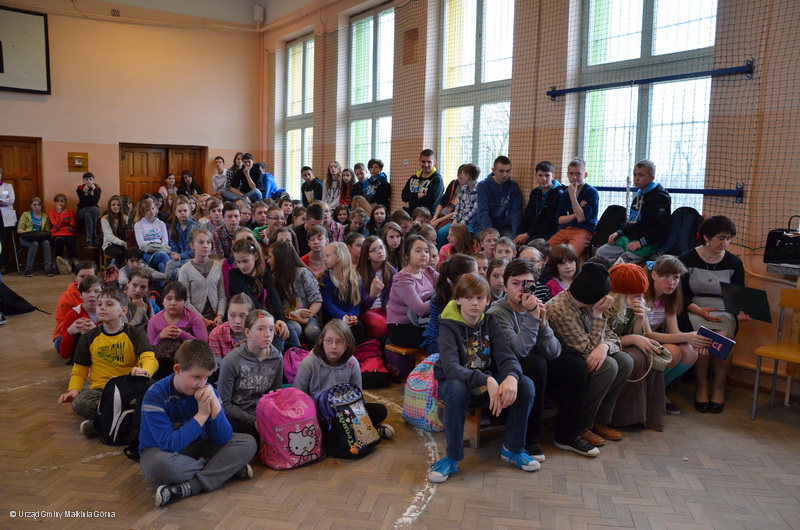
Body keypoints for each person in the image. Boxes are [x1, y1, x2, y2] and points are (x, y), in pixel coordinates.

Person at [429, 273, 538, 483]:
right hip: (456, 386)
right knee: (457, 388)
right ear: (458, 299)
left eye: (480, 298)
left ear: (488, 301)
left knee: (525, 384)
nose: (474, 303)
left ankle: (513, 449)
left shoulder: (490, 321)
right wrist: (486, 380)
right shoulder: (448, 325)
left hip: (486, 385)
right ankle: (452, 457)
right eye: (468, 298)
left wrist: (512, 377)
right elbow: (451, 369)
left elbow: (507, 357)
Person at [488, 259, 596, 458]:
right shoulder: (497, 313)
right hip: (506, 367)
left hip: (535, 364)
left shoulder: (536, 307)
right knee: (536, 364)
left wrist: (543, 324)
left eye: (528, 284)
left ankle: (567, 435)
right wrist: (532, 317)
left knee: (574, 364)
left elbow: (554, 352)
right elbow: (518, 351)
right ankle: (530, 438)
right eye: (515, 283)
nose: (522, 289)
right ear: (505, 286)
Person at [138, 340, 257, 507]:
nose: (202, 384)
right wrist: (202, 415)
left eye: (206, 377)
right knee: (158, 466)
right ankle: (225, 469)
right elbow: (169, 444)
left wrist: (216, 411)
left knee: (247, 442)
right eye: (196, 377)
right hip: (162, 451)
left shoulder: (208, 390)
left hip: (198, 446)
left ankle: (190, 487)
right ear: (178, 370)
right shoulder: (155, 395)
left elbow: (222, 439)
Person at [545, 263, 633, 448]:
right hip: (565, 360)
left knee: (625, 361)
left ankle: (600, 420)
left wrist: (604, 346)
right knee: (608, 366)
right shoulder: (559, 309)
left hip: (589, 350)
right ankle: (581, 425)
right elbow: (585, 348)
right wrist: (598, 315)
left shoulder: (589, 302)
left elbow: (612, 337)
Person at [57, 288, 157, 437]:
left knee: (156, 394)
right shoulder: (88, 337)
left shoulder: (135, 334)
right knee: (80, 402)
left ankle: (99, 425)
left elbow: (150, 358)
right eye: (99, 304)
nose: (102, 307)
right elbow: (80, 369)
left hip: (129, 390)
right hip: (101, 392)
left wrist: (145, 371)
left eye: (109, 304)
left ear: (123, 311)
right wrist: (74, 390)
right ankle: (128, 418)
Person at [679, 215, 748, 414]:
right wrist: (699, 311)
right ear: (706, 237)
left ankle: (719, 388)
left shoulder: (734, 262)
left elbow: (737, 295)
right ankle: (701, 387)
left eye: (729, 239)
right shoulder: (687, 258)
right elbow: (680, 296)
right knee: (703, 339)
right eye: (721, 238)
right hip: (694, 308)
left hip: (723, 310)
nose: (725, 243)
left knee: (722, 339)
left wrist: (740, 310)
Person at [293, 319, 394, 440]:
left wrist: (356, 414)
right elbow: (298, 396)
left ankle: (354, 432)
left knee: (380, 411)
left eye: (339, 342)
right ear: (322, 342)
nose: (333, 346)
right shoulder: (309, 362)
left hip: (345, 411)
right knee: (325, 427)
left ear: (347, 344)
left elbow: (357, 396)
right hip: (318, 414)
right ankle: (366, 431)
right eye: (329, 341)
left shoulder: (352, 363)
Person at [641, 255, 708, 414]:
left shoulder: (669, 298)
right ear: (654, 275)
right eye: (666, 276)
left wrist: (694, 341)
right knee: (673, 351)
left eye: (676, 277)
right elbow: (648, 334)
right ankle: (648, 393)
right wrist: (687, 336)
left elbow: (674, 332)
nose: (671, 282)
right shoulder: (642, 296)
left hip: (653, 341)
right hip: (640, 340)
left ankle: (658, 392)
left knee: (690, 352)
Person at [605, 263, 667, 432]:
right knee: (635, 357)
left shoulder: (634, 305)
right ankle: (623, 417)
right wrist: (633, 338)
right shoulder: (605, 306)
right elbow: (602, 339)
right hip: (608, 347)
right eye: (636, 295)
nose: (639, 299)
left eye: (641, 295)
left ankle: (648, 416)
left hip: (625, 344)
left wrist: (640, 319)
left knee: (650, 353)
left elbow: (637, 334)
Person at [218, 310, 283, 441]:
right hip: (238, 417)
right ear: (247, 333)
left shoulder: (277, 358)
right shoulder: (231, 361)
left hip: (263, 414)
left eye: (271, 329)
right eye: (261, 329)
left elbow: (275, 395)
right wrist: (253, 421)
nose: (267, 334)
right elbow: (224, 404)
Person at [596, 160, 672, 264]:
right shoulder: (638, 197)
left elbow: (662, 228)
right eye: (635, 174)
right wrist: (619, 232)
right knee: (600, 254)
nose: (636, 178)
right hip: (630, 239)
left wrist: (641, 243)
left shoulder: (659, 198)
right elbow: (632, 222)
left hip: (648, 243)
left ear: (651, 178)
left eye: (641, 175)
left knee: (621, 265)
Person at [227, 237, 296, 351]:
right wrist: (271, 321)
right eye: (238, 262)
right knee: (277, 331)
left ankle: (295, 356)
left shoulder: (264, 273)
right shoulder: (234, 274)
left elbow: (274, 297)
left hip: (260, 316)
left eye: (245, 261)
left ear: (255, 256)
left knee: (288, 329)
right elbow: (251, 301)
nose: (242, 266)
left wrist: (281, 319)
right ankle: (275, 358)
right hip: (244, 317)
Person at [319, 242, 381, 343]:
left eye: (327, 256)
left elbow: (356, 303)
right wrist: (343, 316)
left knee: (357, 327)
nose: (324, 259)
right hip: (332, 317)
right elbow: (328, 304)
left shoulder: (355, 278)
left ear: (339, 257)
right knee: (336, 329)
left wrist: (352, 316)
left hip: (348, 317)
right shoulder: (324, 278)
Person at [386, 234, 438, 348]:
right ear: (407, 255)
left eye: (426, 251)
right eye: (418, 251)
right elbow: (420, 310)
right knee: (442, 337)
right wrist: (442, 297)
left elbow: (449, 286)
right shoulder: (402, 278)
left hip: (423, 323)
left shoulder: (428, 272)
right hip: (402, 327)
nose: (423, 254)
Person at [147, 281, 209, 377]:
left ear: (184, 301)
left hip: (189, 363)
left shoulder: (194, 317)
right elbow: (150, 350)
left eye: (178, 299)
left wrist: (182, 335)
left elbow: (203, 347)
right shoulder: (154, 321)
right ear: (163, 301)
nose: (173, 303)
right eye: (169, 299)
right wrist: (160, 336)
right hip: (162, 366)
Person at [420, 254, 477, 355]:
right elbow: (442, 331)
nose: (478, 279)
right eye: (475, 275)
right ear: (464, 277)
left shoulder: (472, 296)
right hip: (438, 340)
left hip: (460, 337)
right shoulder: (439, 298)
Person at [270, 240, 323, 345]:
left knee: (311, 331)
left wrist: (307, 317)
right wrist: (295, 314)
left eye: (270, 257)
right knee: (295, 329)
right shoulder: (273, 278)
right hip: (289, 317)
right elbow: (273, 307)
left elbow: (317, 300)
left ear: (280, 258)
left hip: (309, 316)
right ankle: (295, 353)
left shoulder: (303, 273)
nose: (268, 260)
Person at [548, 157, 599, 257]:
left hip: (584, 230)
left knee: (569, 256)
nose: (574, 177)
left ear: (585, 175)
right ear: (567, 174)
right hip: (565, 229)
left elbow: (581, 218)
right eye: (571, 174)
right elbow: (560, 220)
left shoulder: (591, 192)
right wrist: (576, 212)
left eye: (578, 174)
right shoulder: (565, 193)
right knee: (545, 252)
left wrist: (573, 195)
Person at [179, 228, 226, 330]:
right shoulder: (185, 270)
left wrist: (220, 315)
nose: (205, 246)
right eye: (200, 242)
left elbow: (222, 295)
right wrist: (202, 319)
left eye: (208, 242)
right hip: (195, 319)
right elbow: (185, 301)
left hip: (216, 317)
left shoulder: (217, 267)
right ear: (192, 245)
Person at [515, 161, 567, 245]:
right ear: (536, 176)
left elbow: (551, 223)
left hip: (549, 233)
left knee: (532, 245)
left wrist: (528, 235)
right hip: (533, 232)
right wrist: (520, 235)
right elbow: (527, 216)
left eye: (547, 175)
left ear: (553, 176)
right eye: (540, 175)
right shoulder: (535, 192)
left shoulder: (558, 194)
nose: (543, 179)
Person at [356, 236, 395, 342]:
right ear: (367, 256)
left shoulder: (390, 270)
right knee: (380, 325)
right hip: (367, 311)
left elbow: (390, 295)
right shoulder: (360, 274)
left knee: (399, 323)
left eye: (381, 247)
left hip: (384, 309)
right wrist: (372, 296)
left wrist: (387, 305)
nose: (380, 251)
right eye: (374, 250)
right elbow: (360, 307)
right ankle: (368, 346)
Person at [53, 261, 99, 349]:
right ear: (76, 277)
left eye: (90, 276)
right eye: (82, 276)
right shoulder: (66, 298)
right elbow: (62, 327)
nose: (85, 280)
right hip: (71, 333)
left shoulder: (102, 294)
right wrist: (79, 328)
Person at [432, 163, 481, 247]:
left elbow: (473, 212)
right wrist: (455, 220)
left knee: (458, 236)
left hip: (471, 223)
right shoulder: (463, 189)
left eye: (462, 175)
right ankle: (443, 253)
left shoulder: (480, 190)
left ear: (467, 177)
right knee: (441, 233)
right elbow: (459, 207)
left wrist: (460, 224)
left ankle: (459, 252)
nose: (460, 177)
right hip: (459, 220)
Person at [473, 156, 522, 239]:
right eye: (501, 171)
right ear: (493, 170)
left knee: (510, 241)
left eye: (508, 171)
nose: (505, 174)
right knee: (492, 241)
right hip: (482, 226)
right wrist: (492, 234)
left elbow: (515, 212)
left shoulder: (513, 187)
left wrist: (515, 234)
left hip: (503, 227)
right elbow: (483, 211)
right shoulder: (483, 185)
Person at [58, 275, 103, 362]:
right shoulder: (72, 315)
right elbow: (65, 355)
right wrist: (69, 332)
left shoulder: (110, 313)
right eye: (87, 292)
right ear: (80, 295)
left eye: (97, 291)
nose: (92, 295)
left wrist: (95, 332)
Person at [209, 294, 255, 361]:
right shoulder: (216, 335)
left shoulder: (257, 333)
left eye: (242, 316)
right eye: (232, 315)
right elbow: (217, 365)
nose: (237, 321)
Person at [17, 196, 54, 277]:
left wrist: (39, 234)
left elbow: (47, 230)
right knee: (34, 243)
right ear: (31, 205)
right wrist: (30, 233)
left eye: (39, 205)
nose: (37, 207)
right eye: (34, 205)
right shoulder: (25, 215)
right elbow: (19, 229)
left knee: (46, 243)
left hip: (40, 237)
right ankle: (28, 269)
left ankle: (48, 268)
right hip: (27, 238)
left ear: (41, 206)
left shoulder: (45, 217)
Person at [165, 196, 199, 280]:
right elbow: (174, 248)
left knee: (173, 268)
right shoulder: (173, 228)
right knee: (170, 264)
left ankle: (170, 284)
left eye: (185, 211)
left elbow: (196, 250)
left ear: (189, 212)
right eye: (180, 211)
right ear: (175, 213)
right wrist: (176, 255)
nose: (182, 213)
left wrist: (181, 256)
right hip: (181, 258)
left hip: (194, 258)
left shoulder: (196, 227)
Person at [134, 197, 170, 274]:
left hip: (161, 249)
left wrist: (154, 243)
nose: (151, 211)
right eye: (148, 210)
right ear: (143, 212)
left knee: (162, 265)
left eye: (153, 208)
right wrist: (157, 241)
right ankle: (174, 277)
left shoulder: (161, 223)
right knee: (163, 255)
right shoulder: (138, 225)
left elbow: (165, 242)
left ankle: (163, 281)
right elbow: (141, 244)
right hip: (147, 253)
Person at [401, 150, 443, 215]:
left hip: (427, 215)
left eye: (429, 162)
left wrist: (411, 202)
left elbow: (431, 201)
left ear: (434, 161)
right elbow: (404, 197)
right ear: (419, 161)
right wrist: (417, 195)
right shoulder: (413, 178)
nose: (426, 165)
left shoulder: (437, 180)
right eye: (423, 162)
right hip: (410, 213)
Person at [50, 193, 79, 273]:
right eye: (57, 201)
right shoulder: (52, 213)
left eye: (62, 201)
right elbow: (56, 226)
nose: (60, 203)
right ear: (55, 202)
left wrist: (62, 227)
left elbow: (72, 227)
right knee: (59, 241)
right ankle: (58, 260)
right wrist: (59, 213)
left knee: (70, 241)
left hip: (69, 234)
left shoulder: (71, 213)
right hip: (56, 234)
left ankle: (73, 259)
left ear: (65, 202)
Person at [100, 195, 128, 265]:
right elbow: (109, 236)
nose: (116, 207)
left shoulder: (125, 217)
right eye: (113, 205)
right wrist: (123, 243)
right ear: (110, 206)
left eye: (118, 205)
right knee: (119, 254)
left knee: (132, 253)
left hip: (123, 244)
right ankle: (117, 270)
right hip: (110, 245)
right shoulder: (105, 219)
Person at [76, 172, 102, 246]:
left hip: (90, 212)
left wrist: (92, 192)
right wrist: (85, 193)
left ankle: (89, 240)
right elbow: (84, 203)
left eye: (90, 179)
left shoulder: (98, 189)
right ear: (83, 181)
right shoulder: (79, 189)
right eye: (86, 179)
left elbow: (94, 202)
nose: (88, 181)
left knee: (88, 215)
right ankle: (94, 232)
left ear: (93, 180)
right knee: (95, 209)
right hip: (81, 211)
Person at [0, 168, 16, 273]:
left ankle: (3, 265)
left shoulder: (8, 186)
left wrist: (1, 200)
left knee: (3, 241)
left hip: (5, 218)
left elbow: (11, 200)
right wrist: (3, 200)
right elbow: (7, 200)